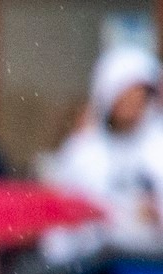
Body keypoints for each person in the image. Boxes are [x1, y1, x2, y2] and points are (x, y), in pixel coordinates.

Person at [43, 46, 163, 261]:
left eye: (139, 97)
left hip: (152, 269)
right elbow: (61, 216)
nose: (132, 105)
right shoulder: (82, 152)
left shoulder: (158, 147)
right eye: (124, 96)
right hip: (93, 269)